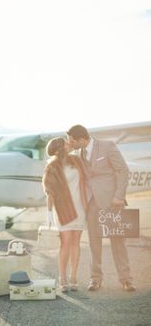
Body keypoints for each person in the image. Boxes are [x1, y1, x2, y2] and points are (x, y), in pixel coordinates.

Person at [66, 124, 136, 292]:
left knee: (118, 241)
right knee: (93, 242)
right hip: (91, 204)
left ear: (81, 139)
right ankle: (95, 279)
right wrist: (66, 149)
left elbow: (123, 170)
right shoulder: (78, 153)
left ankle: (126, 279)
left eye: (71, 140)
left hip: (113, 201)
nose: (70, 143)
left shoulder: (107, 146)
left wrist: (119, 196)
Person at [42, 137, 88, 292]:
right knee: (65, 243)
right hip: (62, 209)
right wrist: (48, 212)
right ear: (59, 149)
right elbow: (49, 191)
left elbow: (87, 179)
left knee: (76, 242)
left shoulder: (76, 160)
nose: (69, 144)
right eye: (66, 143)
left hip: (79, 206)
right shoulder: (52, 166)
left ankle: (73, 276)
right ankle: (62, 277)